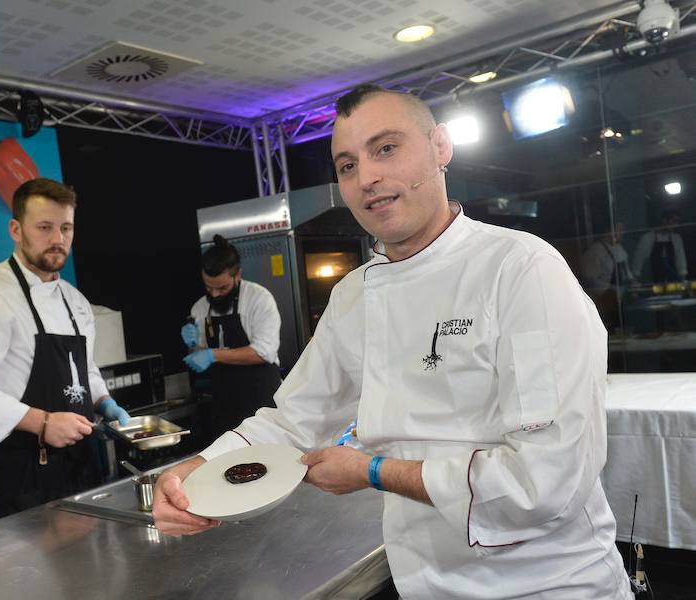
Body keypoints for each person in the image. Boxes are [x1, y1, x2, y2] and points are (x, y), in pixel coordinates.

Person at [154, 85, 633, 599]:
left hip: (548, 583)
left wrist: (375, 471)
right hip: (425, 583)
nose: (368, 179)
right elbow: (294, 419)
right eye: (347, 165)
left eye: (386, 149)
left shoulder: (520, 269)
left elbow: (545, 480)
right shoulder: (354, 296)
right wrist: (197, 471)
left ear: (441, 147)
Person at [0, 177, 130, 523]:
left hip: (80, 466)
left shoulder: (75, 301)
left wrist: (104, 402)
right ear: (15, 229)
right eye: (44, 227)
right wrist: (43, 422)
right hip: (17, 478)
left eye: (66, 228)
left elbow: (82, 370)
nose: (57, 239)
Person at [181, 234, 282, 439]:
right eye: (209, 288)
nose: (215, 294)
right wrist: (193, 346)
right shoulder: (200, 307)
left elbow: (264, 352)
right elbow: (199, 355)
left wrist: (213, 355)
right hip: (224, 401)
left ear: (238, 275)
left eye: (222, 288)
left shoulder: (259, 299)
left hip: (261, 399)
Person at [580, 223, 637, 331]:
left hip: (621, 298)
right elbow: (589, 279)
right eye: (619, 230)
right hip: (605, 302)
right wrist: (609, 291)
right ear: (609, 231)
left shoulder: (619, 248)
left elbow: (626, 270)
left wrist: (632, 282)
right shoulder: (595, 251)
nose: (622, 233)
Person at [631, 209, 688, 284]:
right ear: (664, 220)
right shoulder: (648, 238)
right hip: (655, 282)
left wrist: (683, 278)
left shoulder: (676, 238)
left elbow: (681, 260)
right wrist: (634, 280)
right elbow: (638, 261)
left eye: (678, 222)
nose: (676, 225)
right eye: (674, 221)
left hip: (674, 282)